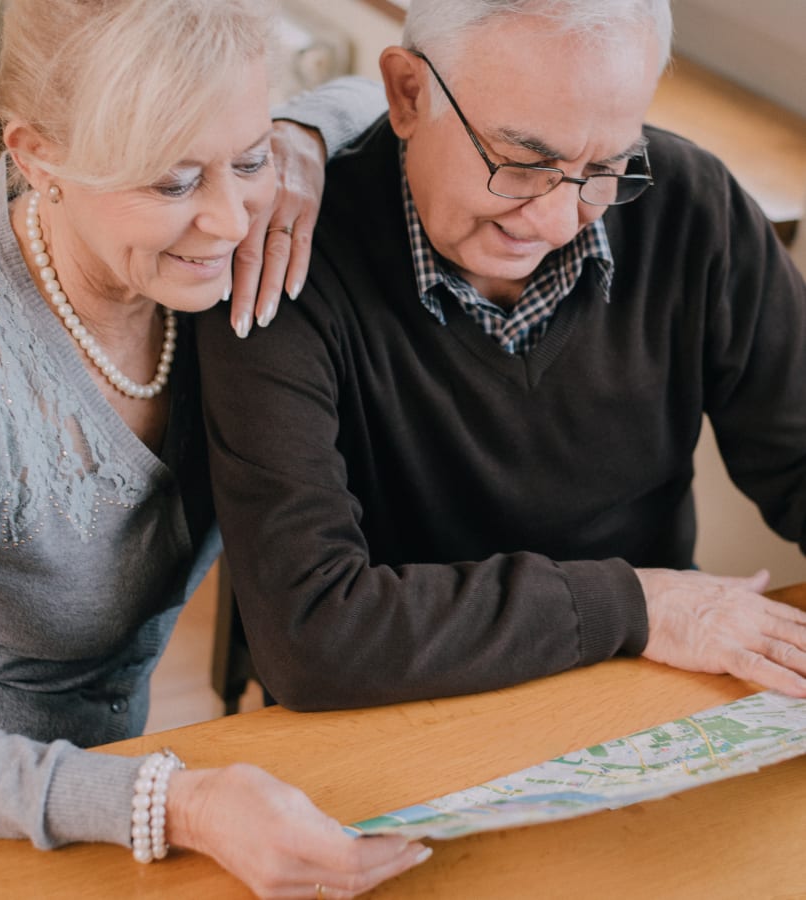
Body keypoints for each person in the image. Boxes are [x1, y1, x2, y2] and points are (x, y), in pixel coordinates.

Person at [0, 0, 431, 896]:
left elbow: (408, 85)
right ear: (37, 156)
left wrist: (303, 137)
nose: (231, 220)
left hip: (139, 796)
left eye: (250, 158)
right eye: (173, 182)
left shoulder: (201, 271)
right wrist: (174, 803)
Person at [199, 0, 806, 713]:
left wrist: (648, 615)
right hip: (399, 704)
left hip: (651, 672)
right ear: (408, 94)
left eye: (606, 168)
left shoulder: (690, 204)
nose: (556, 221)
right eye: (521, 163)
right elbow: (312, 633)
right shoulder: (286, 260)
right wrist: (633, 603)